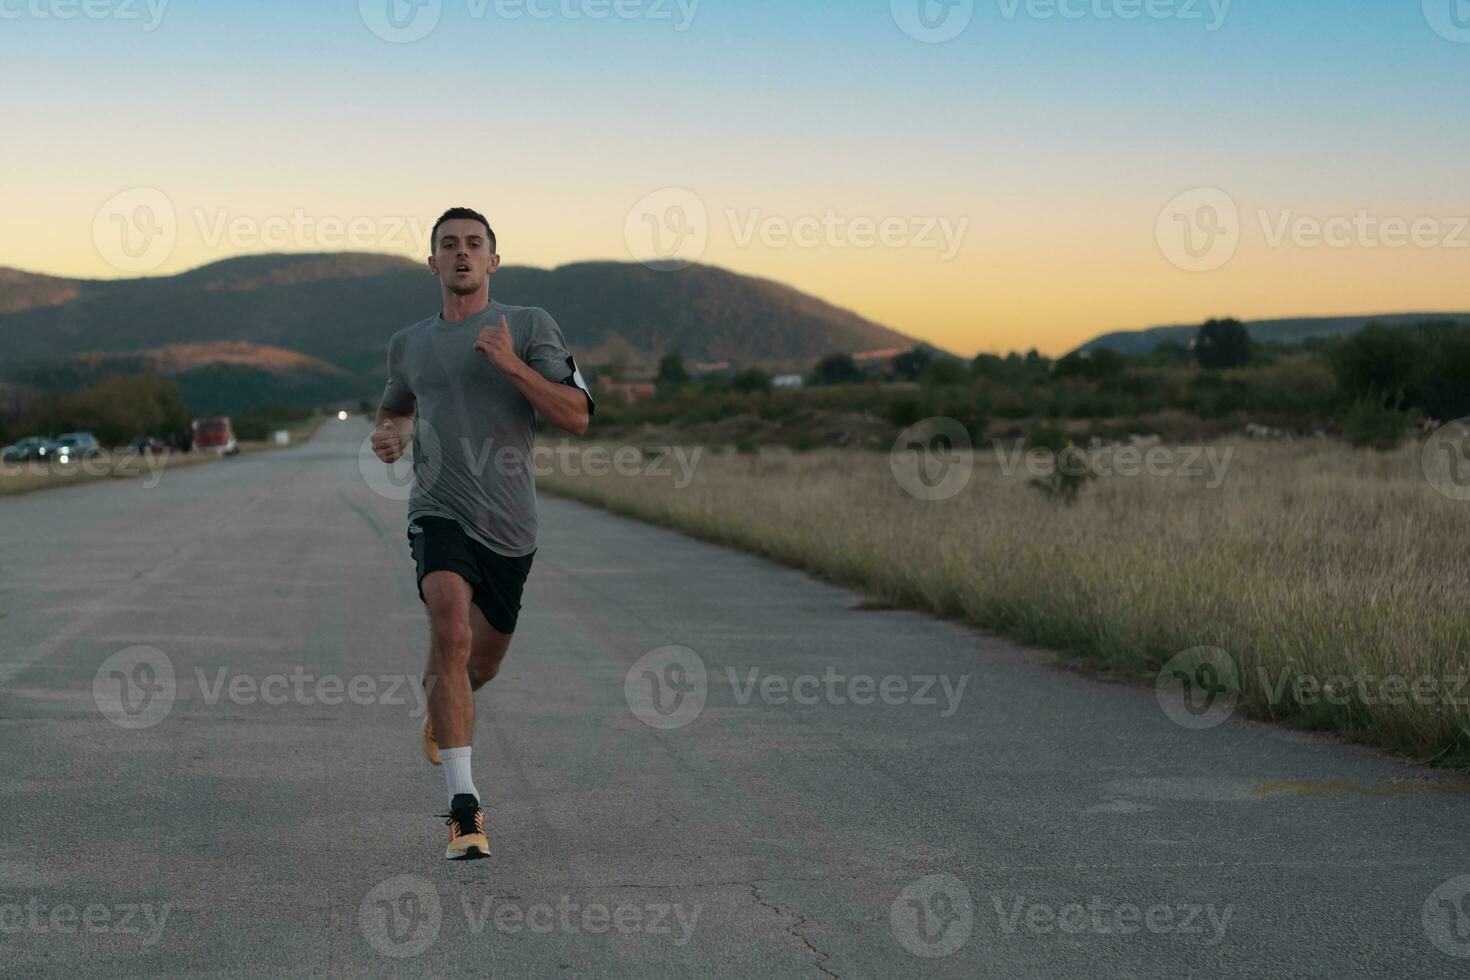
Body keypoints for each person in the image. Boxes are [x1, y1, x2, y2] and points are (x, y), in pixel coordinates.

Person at [371, 207, 593, 860]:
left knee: (479, 663)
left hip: (511, 526)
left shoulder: (528, 326)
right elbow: (394, 406)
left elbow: (576, 415)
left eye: (474, 244)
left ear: (493, 261)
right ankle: (463, 811)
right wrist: (388, 433)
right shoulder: (408, 343)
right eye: (449, 245)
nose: (461, 253)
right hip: (437, 508)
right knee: (450, 622)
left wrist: (511, 365)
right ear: (432, 262)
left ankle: (443, 704)